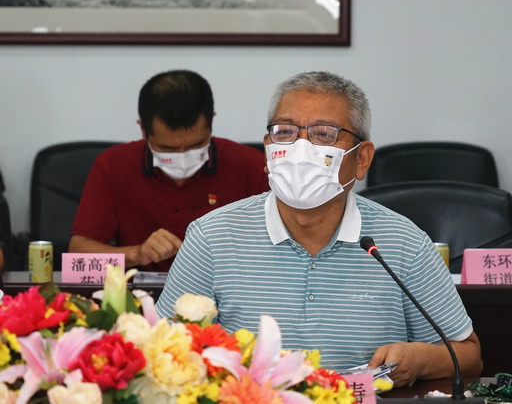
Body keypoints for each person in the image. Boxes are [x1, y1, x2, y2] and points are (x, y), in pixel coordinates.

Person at [155, 71, 483, 386]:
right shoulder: (211, 237)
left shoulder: (403, 242)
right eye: (285, 132)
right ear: (267, 150)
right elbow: (161, 351)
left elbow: (469, 355)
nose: (300, 150)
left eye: (324, 134)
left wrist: (420, 359)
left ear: (362, 159)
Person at [69, 70, 270, 272]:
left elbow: (280, 249)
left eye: (195, 145)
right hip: (139, 289)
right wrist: (137, 254)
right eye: (167, 148)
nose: (182, 157)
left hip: (225, 288)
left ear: (211, 122)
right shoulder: (113, 165)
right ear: (143, 129)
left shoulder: (251, 165)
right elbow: (78, 262)